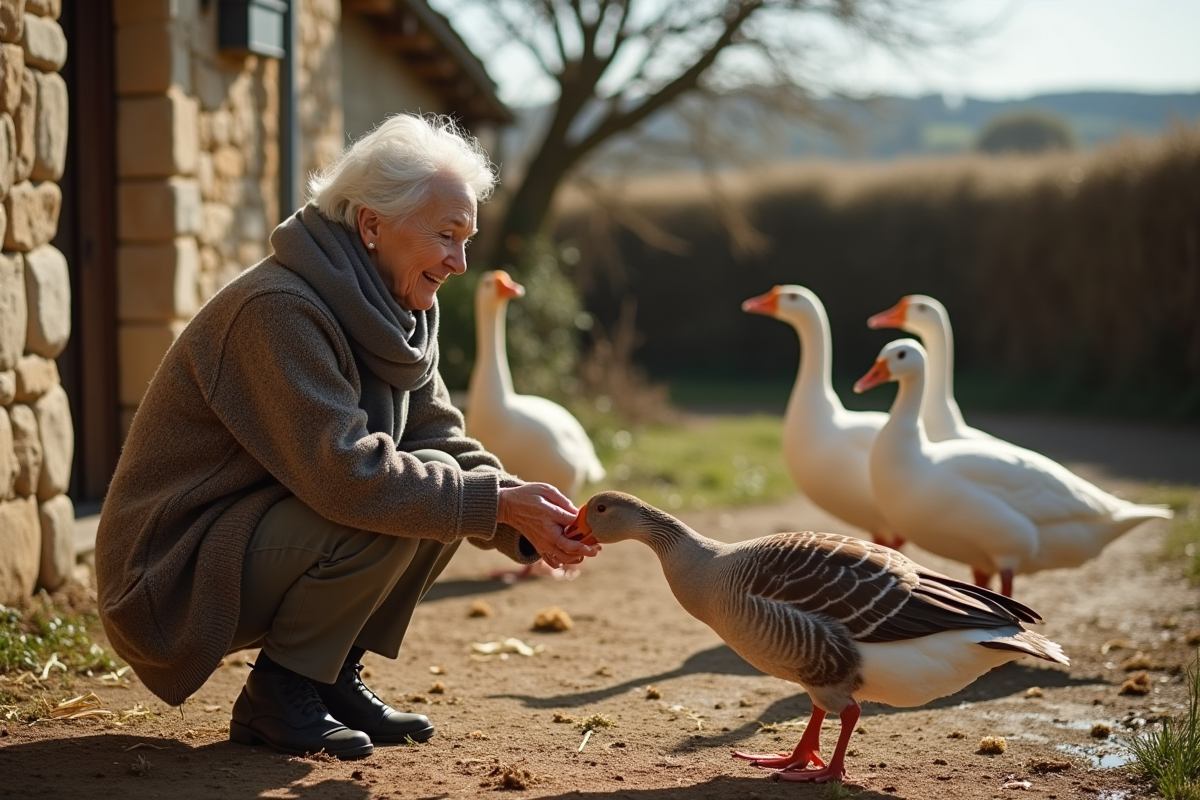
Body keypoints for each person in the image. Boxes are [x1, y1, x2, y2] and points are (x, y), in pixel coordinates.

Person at [94, 114, 599, 760]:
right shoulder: (278, 309)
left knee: (443, 487)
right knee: (399, 500)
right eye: (446, 236)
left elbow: (441, 438)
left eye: (467, 239)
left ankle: (327, 675)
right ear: (371, 225)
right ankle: (280, 694)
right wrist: (494, 503)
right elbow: (345, 476)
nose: (460, 262)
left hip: (250, 536)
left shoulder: (398, 310)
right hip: (169, 573)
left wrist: (529, 517)